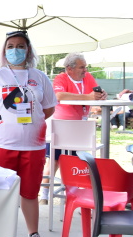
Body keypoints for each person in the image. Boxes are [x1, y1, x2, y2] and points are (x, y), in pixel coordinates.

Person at [0, 30, 56, 237]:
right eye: (10, 46)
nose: (15, 50)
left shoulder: (40, 77)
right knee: (0, 193)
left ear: (28, 49)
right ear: (4, 50)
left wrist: (31, 122)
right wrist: (0, 123)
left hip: (34, 146)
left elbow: (47, 109)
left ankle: (33, 234)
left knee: (30, 192)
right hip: (1, 145)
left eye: (20, 46)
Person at [40, 52, 106, 204]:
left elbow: (95, 92)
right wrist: (88, 97)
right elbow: (59, 96)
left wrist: (101, 95)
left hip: (80, 126)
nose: (85, 70)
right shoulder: (61, 78)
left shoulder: (87, 77)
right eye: (82, 67)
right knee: (55, 161)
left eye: (86, 67)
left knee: (78, 161)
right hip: (61, 126)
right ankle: (44, 195)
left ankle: (75, 195)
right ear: (69, 69)